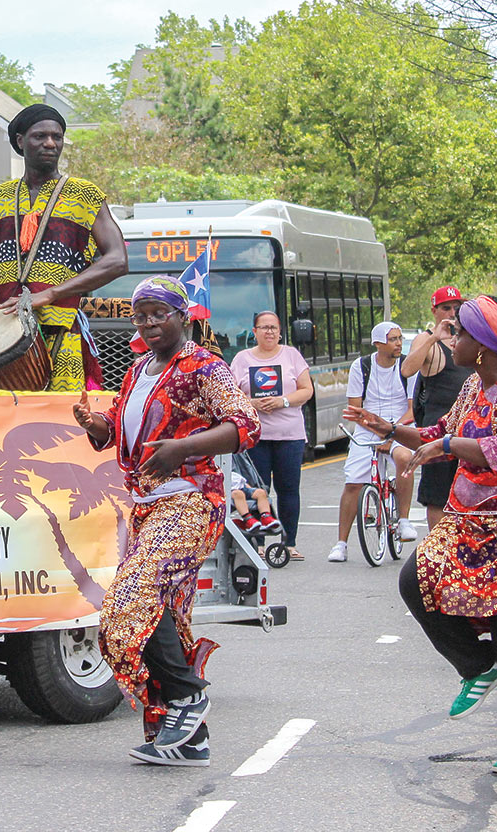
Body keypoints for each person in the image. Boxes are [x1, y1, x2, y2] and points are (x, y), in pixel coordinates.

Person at [346, 294, 497, 776]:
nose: (455, 339)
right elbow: (440, 433)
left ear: (485, 345)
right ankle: (476, 664)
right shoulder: (473, 385)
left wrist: (446, 443)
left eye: (464, 334)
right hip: (470, 518)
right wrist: (388, 429)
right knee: (415, 581)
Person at [71, 275, 260, 767]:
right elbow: (120, 425)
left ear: (183, 315)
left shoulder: (204, 366)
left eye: (160, 313)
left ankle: (188, 695)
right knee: (166, 614)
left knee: (131, 597)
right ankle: (188, 742)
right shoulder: (138, 369)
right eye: (142, 315)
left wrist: (184, 448)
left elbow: (245, 424)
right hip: (146, 505)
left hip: (191, 500)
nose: (150, 323)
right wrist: (100, 428)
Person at [0, 103, 126, 391]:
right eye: (40, 136)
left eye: (57, 137)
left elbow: (117, 260)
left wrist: (52, 293)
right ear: (20, 140)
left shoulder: (85, 195)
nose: (51, 143)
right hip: (3, 337)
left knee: (61, 422)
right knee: (3, 423)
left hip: (61, 331)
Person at [331, 321, 418, 562]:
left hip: (401, 425)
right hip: (367, 426)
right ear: (378, 343)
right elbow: (354, 409)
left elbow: (413, 410)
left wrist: (392, 433)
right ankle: (341, 544)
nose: (399, 343)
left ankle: (403, 521)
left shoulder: (408, 366)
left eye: (400, 338)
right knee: (353, 483)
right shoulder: (362, 366)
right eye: (393, 339)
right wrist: (378, 431)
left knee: (404, 458)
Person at [230, 310, 312, 559]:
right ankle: (259, 545)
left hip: (289, 435)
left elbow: (306, 390)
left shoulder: (292, 356)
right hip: (255, 437)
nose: (269, 332)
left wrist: (282, 401)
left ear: (280, 332)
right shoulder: (242, 359)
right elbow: (230, 394)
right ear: (254, 332)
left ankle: (289, 543)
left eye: (273, 328)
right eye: (264, 327)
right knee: (256, 490)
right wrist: (252, 403)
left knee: (289, 489)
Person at [401, 286, 475, 531]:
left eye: (456, 307)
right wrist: (435, 336)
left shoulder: (468, 337)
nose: (452, 313)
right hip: (439, 427)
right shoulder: (427, 339)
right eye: (446, 308)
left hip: (469, 427)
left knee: (470, 493)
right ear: (434, 310)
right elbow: (407, 369)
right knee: (437, 497)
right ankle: (438, 550)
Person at [229, 451, 284, 536]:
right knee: (238, 494)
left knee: (261, 492)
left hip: (241, 486)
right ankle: (248, 519)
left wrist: (249, 487)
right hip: (229, 490)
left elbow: (242, 480)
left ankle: (266, 516)